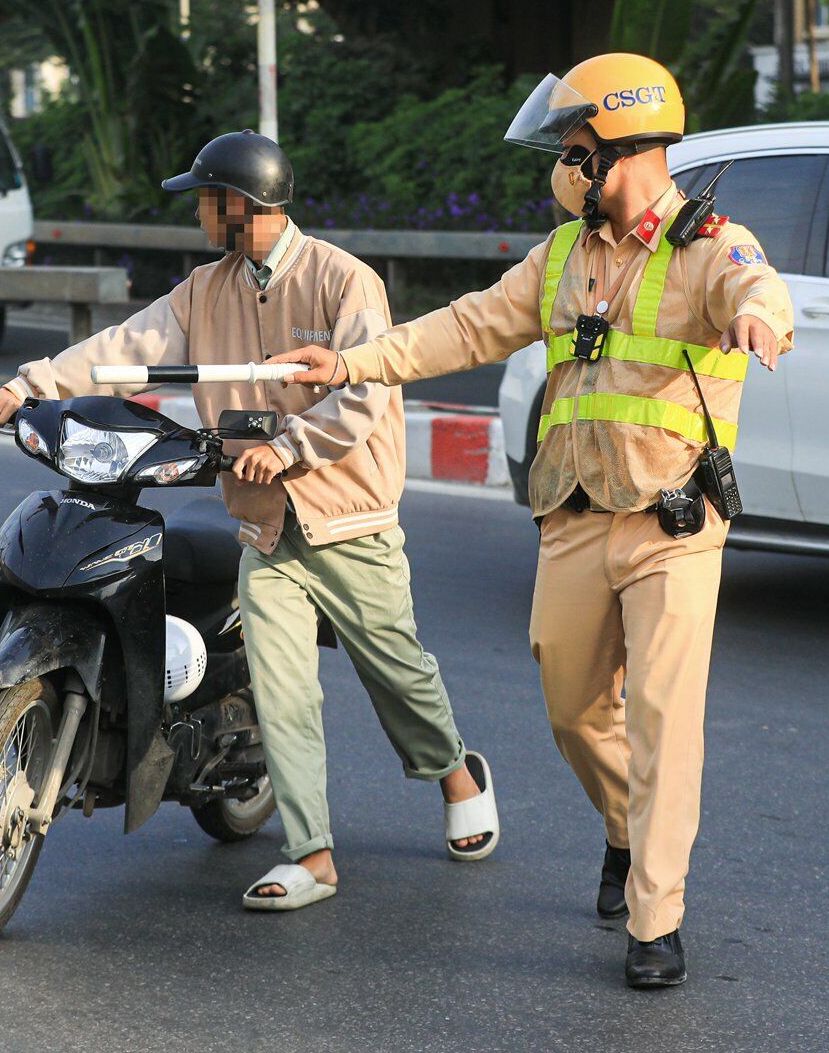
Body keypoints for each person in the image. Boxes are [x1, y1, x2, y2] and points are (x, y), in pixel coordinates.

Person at [269, 53, 793, 986]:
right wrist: (351, 363)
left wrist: (761, 320)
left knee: (665, 720)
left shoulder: (709, 246)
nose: (564, 165)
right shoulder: (560, 258)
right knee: (573, 707)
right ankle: (624, 827)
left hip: (672, 524)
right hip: (575, 515)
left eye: (575, 146)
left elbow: (758, 289)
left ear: (622, 147)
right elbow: (466, 325)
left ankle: (655, 921)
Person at [0, 130, 500, 912]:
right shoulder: (205, 288)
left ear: (240, 206)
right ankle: (312, 856)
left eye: (205, 199)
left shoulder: (343, 281)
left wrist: (290, 447)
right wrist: (29, 385)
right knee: (284, 694)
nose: (197, 213)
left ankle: (457, 775)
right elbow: (126, 345)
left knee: (396, 673)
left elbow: (364, 396)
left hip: (349, 519)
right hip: (264, 527)